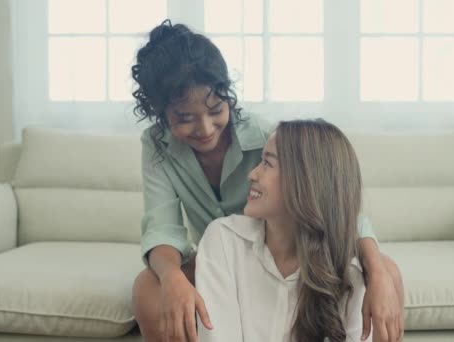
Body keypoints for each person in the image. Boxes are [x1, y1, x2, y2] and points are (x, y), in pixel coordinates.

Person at [131, 19, 404, 342]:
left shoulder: (268, 137)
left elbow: (330, 201)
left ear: (228, 96)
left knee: (385, 271)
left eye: (216, 109)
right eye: (185, 119)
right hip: (217, 255)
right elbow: (162, 226)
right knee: (149, 287)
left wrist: (379, 274)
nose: (205, 129)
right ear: (162, 115)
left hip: (284, 249)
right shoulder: (158, 145)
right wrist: (173, 276)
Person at [196, 119, 368, 342]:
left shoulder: (350, 272)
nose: (252, 174)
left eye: (267, 163)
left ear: (306, 180)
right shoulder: (223, 240)